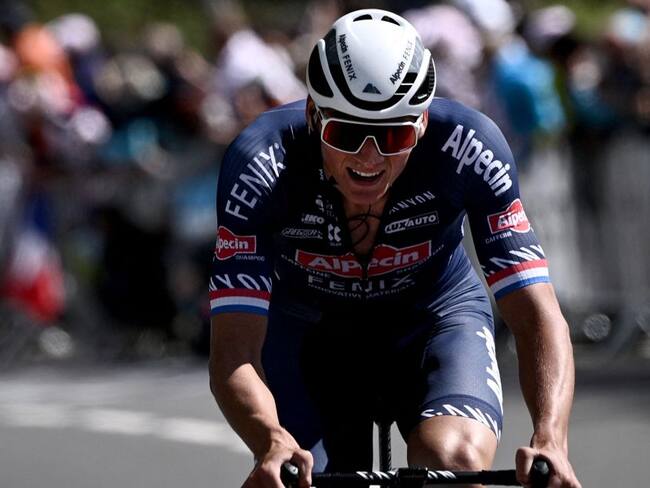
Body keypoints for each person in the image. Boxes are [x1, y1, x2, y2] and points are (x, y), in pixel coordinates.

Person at [209, 9, 581, 488]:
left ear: (422, 123)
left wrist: (551, 437)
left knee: (454, 460)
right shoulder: (261, 162)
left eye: (393, 134)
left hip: (433, 317)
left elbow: (537, 315)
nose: (369, 157)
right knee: (298, 474)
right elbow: (233, 349)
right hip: (307, 331)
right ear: (313, 115)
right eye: (346, 133)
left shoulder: (470, 147)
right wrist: (270, 440)